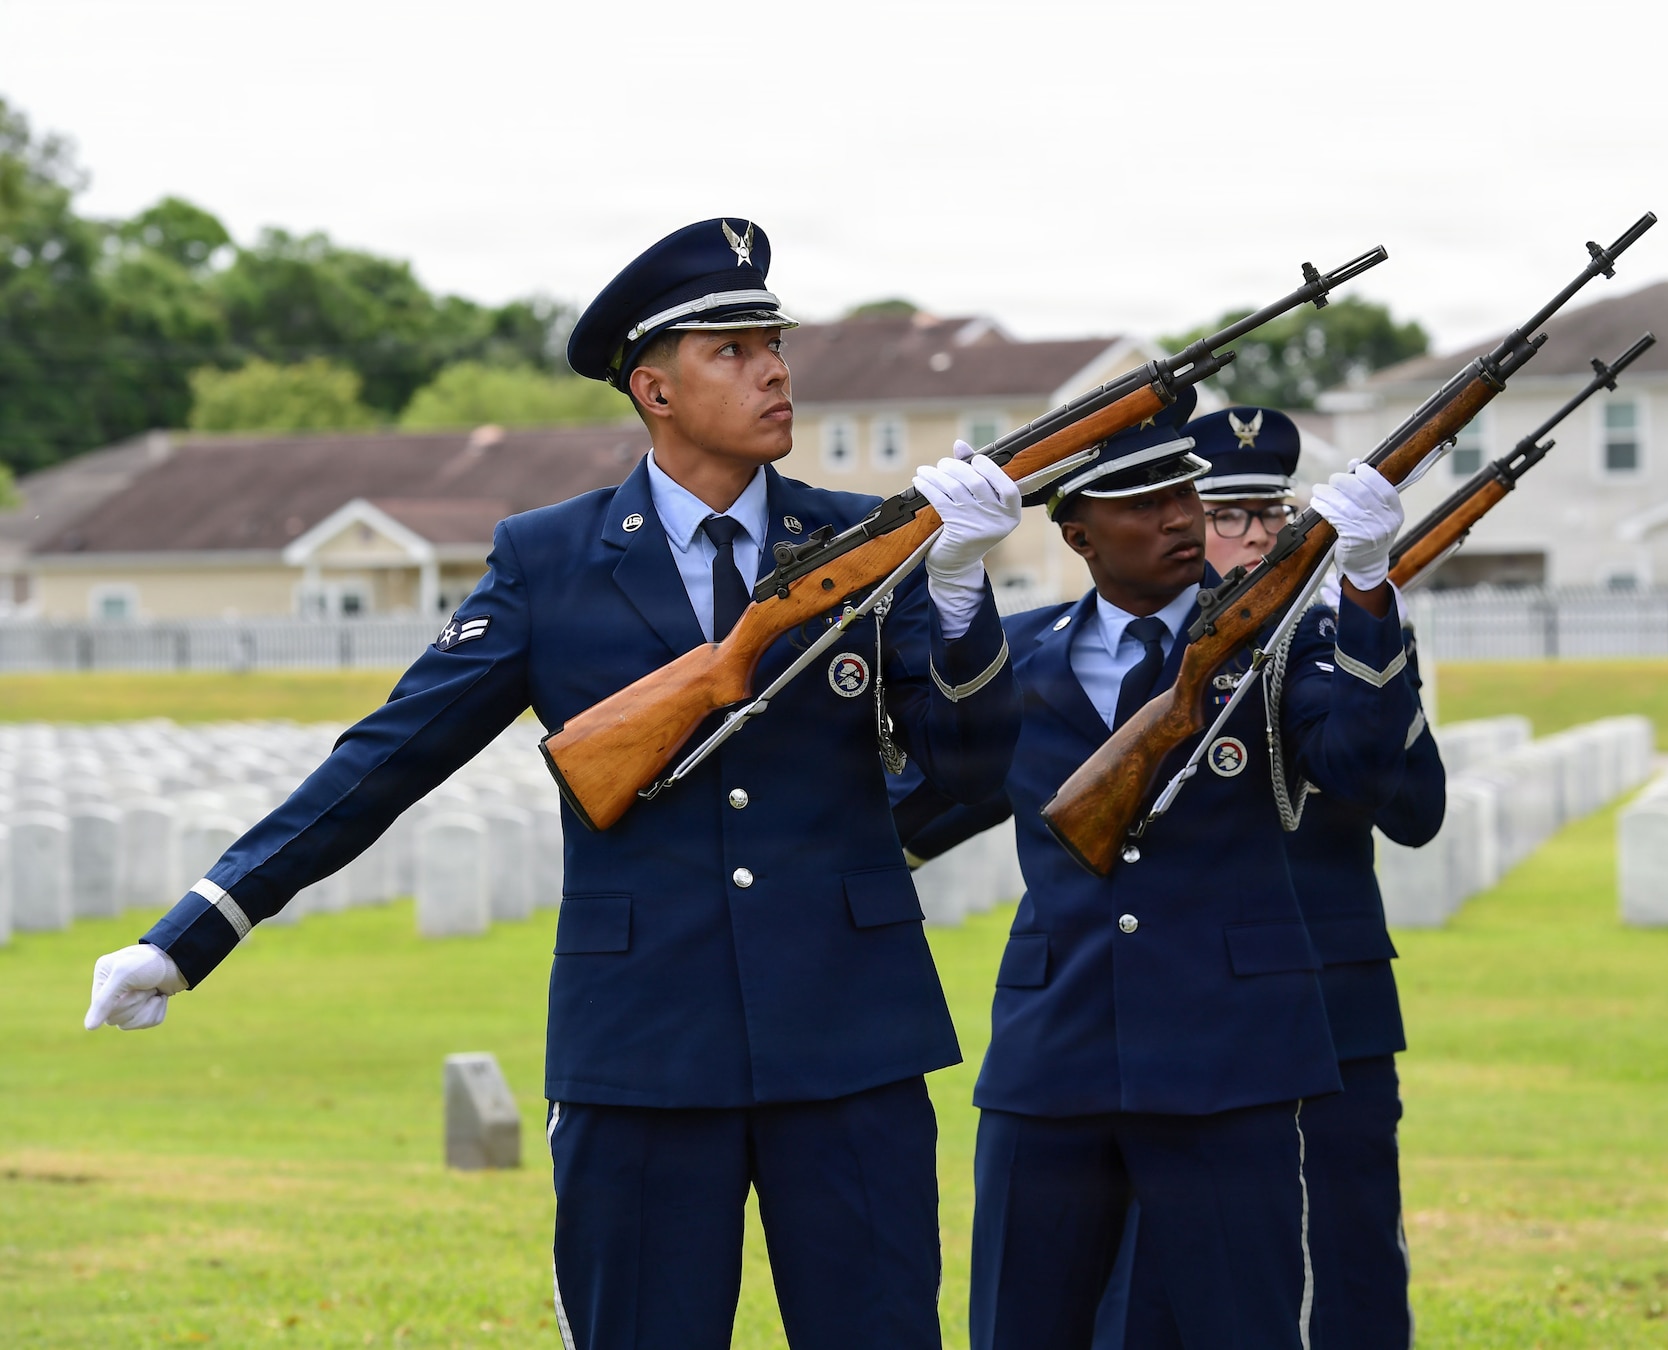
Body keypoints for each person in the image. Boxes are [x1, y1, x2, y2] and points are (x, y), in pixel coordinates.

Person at [82, 218, 1027, 1350]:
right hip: (641, 1048)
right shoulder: (550, 557)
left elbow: (971, 769)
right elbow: (388, 757)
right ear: (653, 389)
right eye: (731, 349)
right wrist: (195, 929)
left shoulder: (865, 544)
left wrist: (962, 589)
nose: (774, 368)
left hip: (848, 1037)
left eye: (772, 341)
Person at [903, 390, 1421, 1349]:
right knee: (1023, 1326)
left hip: (1233, 1057)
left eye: (1182, 491)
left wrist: (1365, 588)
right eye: (1140, 501)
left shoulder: (1287, 642)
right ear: (1077, 532)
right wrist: (954, 588)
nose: (1179, 516)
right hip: (1052, 1057)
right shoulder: (1013, 654)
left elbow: (1367, 766)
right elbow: (933, 784)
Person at [1089, 406, 1446, 1350]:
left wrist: (1370, 617)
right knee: (1155, 1275)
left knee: (1351, 1258)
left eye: (1268, 512)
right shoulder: (1133, 656)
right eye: (1221, 512)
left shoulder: (1342, 639)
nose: (1248, 534)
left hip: (1332, 999)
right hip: (1181, 1003)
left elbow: (1414, 811)